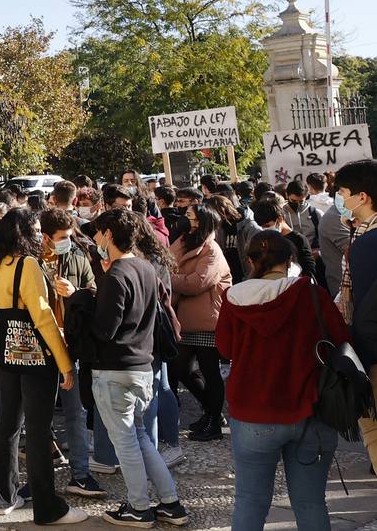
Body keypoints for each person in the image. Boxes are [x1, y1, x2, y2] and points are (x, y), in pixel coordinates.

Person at [216, 229, 346, 531]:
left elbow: (225, 348)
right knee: (311, 502)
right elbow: (340, 338)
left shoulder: (234, 299)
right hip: (311, 408)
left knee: (249, 501)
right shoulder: (311, 293)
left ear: (249, 261)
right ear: (291, 259)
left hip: (253, 413)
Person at [0, 209, 84, 524]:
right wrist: (65, 361)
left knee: (8, 424)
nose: (41, 234)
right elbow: (43, 317)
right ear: (24, 233)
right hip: (35, 356)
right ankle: (47, 506)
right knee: (38, 430)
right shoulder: (27, 265)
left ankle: (3, 495)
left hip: (4, 352)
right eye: (37, 229)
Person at [87, 209, 188, 527]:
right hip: (144, 366)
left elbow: (105, 329)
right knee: (140, 437)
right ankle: (170, 503)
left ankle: (138, 506)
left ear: (107, 235)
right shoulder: (145, 267)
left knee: (126, 442)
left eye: (98, 233)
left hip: (116, 368)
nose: (95, 238)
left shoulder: (117, 274)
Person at [38, 207, 104, 498]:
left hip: (70, 344)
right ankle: (42, 473)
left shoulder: (78, 256)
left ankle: (80, 473)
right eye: (62, 237)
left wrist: (75, 291)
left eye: (69, 235)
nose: (68, 240)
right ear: (46, 237)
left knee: (75, 411)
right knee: (39, 414)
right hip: (41, 344)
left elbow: (94, 293)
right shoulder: (33, 262)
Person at [169, 202, 232, 443]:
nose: (187, 220)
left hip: (207, 320)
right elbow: (168, 263)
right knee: (181, 369)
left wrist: (171, 278)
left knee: (210, 371)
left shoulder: (212, 250)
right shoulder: (184, 241)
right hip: (184, 318)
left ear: (202, 222)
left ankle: (214, 419)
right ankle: (210, 410)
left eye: (191, 217)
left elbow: (197, 283)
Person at [335, 158, 377, 470]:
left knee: (372, 428)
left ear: (362, 196)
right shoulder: (358, 236)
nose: (340, 199)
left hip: (371, 348)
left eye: (343, 192)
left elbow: (360, 303)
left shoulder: (365, 244)